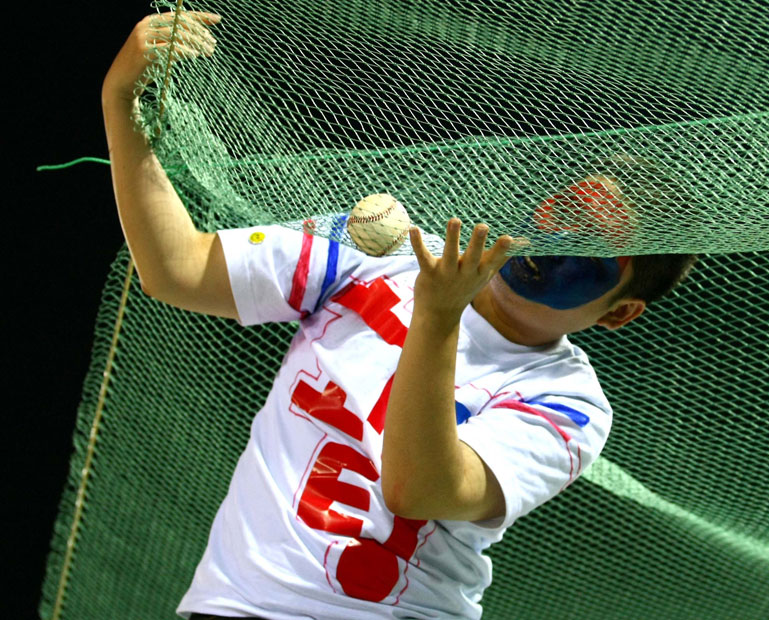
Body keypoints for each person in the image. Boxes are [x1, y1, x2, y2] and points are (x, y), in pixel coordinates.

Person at [102, 12, 697, 620]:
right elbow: (176, 269)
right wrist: (120, 101)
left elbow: (417, 489)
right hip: (233, 606)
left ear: (620, 313)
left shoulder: (569, 401)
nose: (555, 237)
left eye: (592, 244)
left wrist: (438, 317)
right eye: (564, 209)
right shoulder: (384, 252)